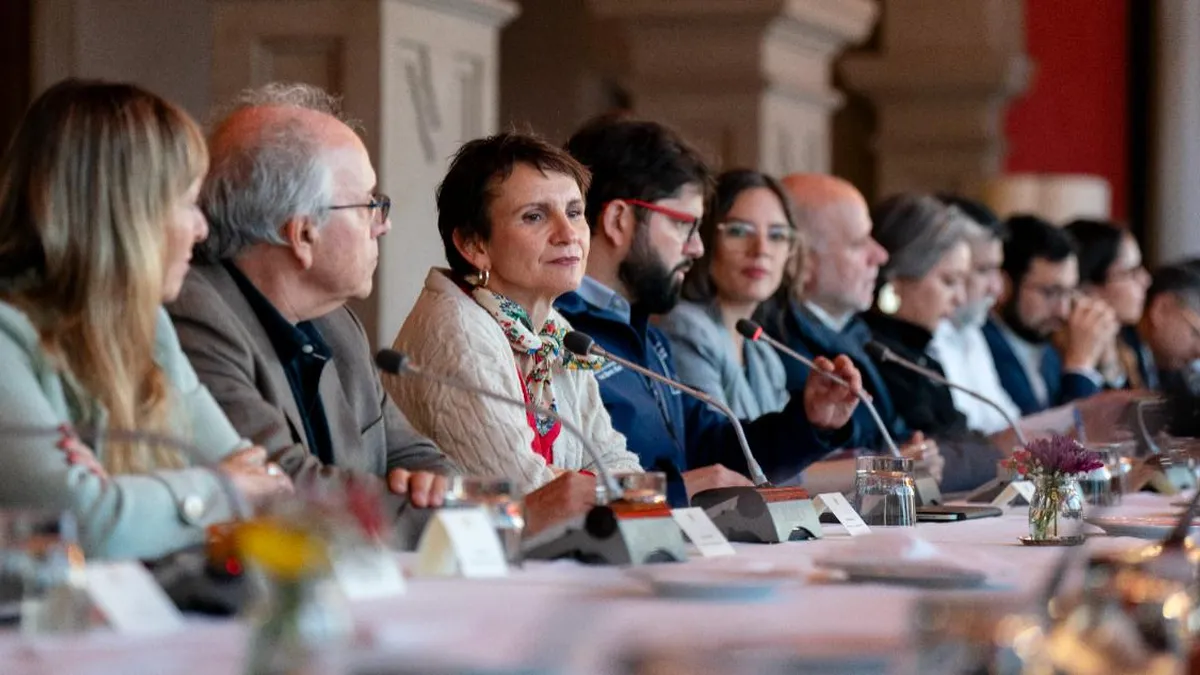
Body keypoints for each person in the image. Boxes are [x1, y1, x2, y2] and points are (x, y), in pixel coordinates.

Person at [0, 79, 291, 560]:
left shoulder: (149, 327)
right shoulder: (8, 338)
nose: (201, 228)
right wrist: (221, 490)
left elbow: (266, 486)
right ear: (121, 216)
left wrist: (156, 501)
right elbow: (82, 524)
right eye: (185, 202)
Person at [166, 83, 458, 524]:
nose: (384, 224)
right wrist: (449, 518)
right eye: (369, 205)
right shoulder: (195, 316)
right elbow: (281, 487)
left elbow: (416, 456)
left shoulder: (338, 324)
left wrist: (440, 490)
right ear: (303, 234)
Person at [556, 117, 864, 506]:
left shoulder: (646, 334)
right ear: (619, 220)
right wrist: (679, 491)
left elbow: (709, 449)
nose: (696, 248)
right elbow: (560, 490)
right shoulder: (556, 333)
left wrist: (809, 421)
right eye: (684, 226)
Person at [387, 132, 643, 500]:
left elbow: (617, 461)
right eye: (535, 216)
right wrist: (583, 482)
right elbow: (526, 496)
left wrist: (573, 480)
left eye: (574, 212)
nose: (568, 233)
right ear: (474, 245)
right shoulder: (459, 333)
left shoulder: (555, 332)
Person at [660, 170, 800, 419]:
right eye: (739, 231)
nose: (761, 250)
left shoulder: (763, 353)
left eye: (777, 235)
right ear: (706, 237)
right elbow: (717, 446)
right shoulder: (685, 327)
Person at [984, 215, 1118, 416]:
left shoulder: (1050, 347)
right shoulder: (986, 347)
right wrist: (1080, 364)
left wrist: (1107, 363)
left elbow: (1114, 432)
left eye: (1069, 292)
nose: (1063, 310)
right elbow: (1050, 442)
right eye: (1050, 293)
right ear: (1004, 286)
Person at [929, 195, 1023, 435]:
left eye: (997, 270)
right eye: (984, 270)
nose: (997, 289)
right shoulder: (924, 338)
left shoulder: (971, 330)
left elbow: (1009, 424)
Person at [1065, 219, 1154, 390]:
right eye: (1131, 272)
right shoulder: (1058, 355)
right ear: (1088, 289)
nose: (1146, 280)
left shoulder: (1130, 340)